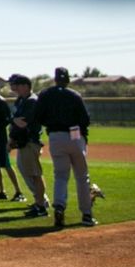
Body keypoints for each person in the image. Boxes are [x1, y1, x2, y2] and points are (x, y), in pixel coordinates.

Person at [36, 66, 96, 229]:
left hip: (55, 137)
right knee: (82, 177)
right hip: (75, 135)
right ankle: (87, 214)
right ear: (67, 79)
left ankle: (60, 207)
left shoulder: (45, 94)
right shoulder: (74, 95)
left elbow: (38, 117)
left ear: (55, 79)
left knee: (61, 175)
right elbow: (85, 119)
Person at [8, 73, 47, 217]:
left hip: (30, 141)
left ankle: (41, 205)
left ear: (25, 86)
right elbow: (16, 122)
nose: (15, 88)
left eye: (17, 85)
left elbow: (22, 123)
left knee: (35, 174)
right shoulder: (21, 100)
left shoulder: (31, 101)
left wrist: (13, 120)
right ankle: (39, 202)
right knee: (29, 172)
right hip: (23, 142)